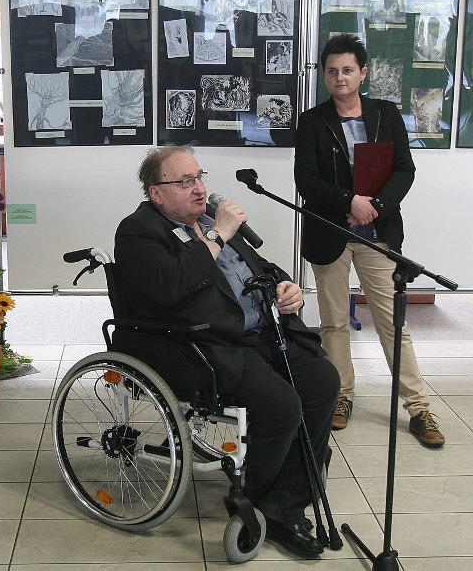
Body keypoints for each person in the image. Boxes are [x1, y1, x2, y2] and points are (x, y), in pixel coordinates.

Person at [114, 144, 340, 559]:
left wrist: (285, 287)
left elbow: (261, 268)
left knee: (324, 382)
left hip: (262, 333)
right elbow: (170, 285)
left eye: (199, 177)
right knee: (282, 406)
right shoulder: (138, 232)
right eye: (185, 181)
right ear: (156, 193)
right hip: (203, 345)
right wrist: (217, 236)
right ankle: (264, 498)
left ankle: (283, 500)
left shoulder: (206, 220)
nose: (199, 188)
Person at [294, 33, 445, 448]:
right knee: (334, 322)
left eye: (347, 70)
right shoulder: (312, 121)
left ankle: (418, 407)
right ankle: (341, 396)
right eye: (332, 71)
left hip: (378, 232)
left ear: (362, 73)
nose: (339, 77)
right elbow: (305, 180)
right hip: (331, 235)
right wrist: (348, 201)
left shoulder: (385, 113)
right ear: (324, 75)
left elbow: (404, 169)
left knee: (392, 323)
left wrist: (373, 205)